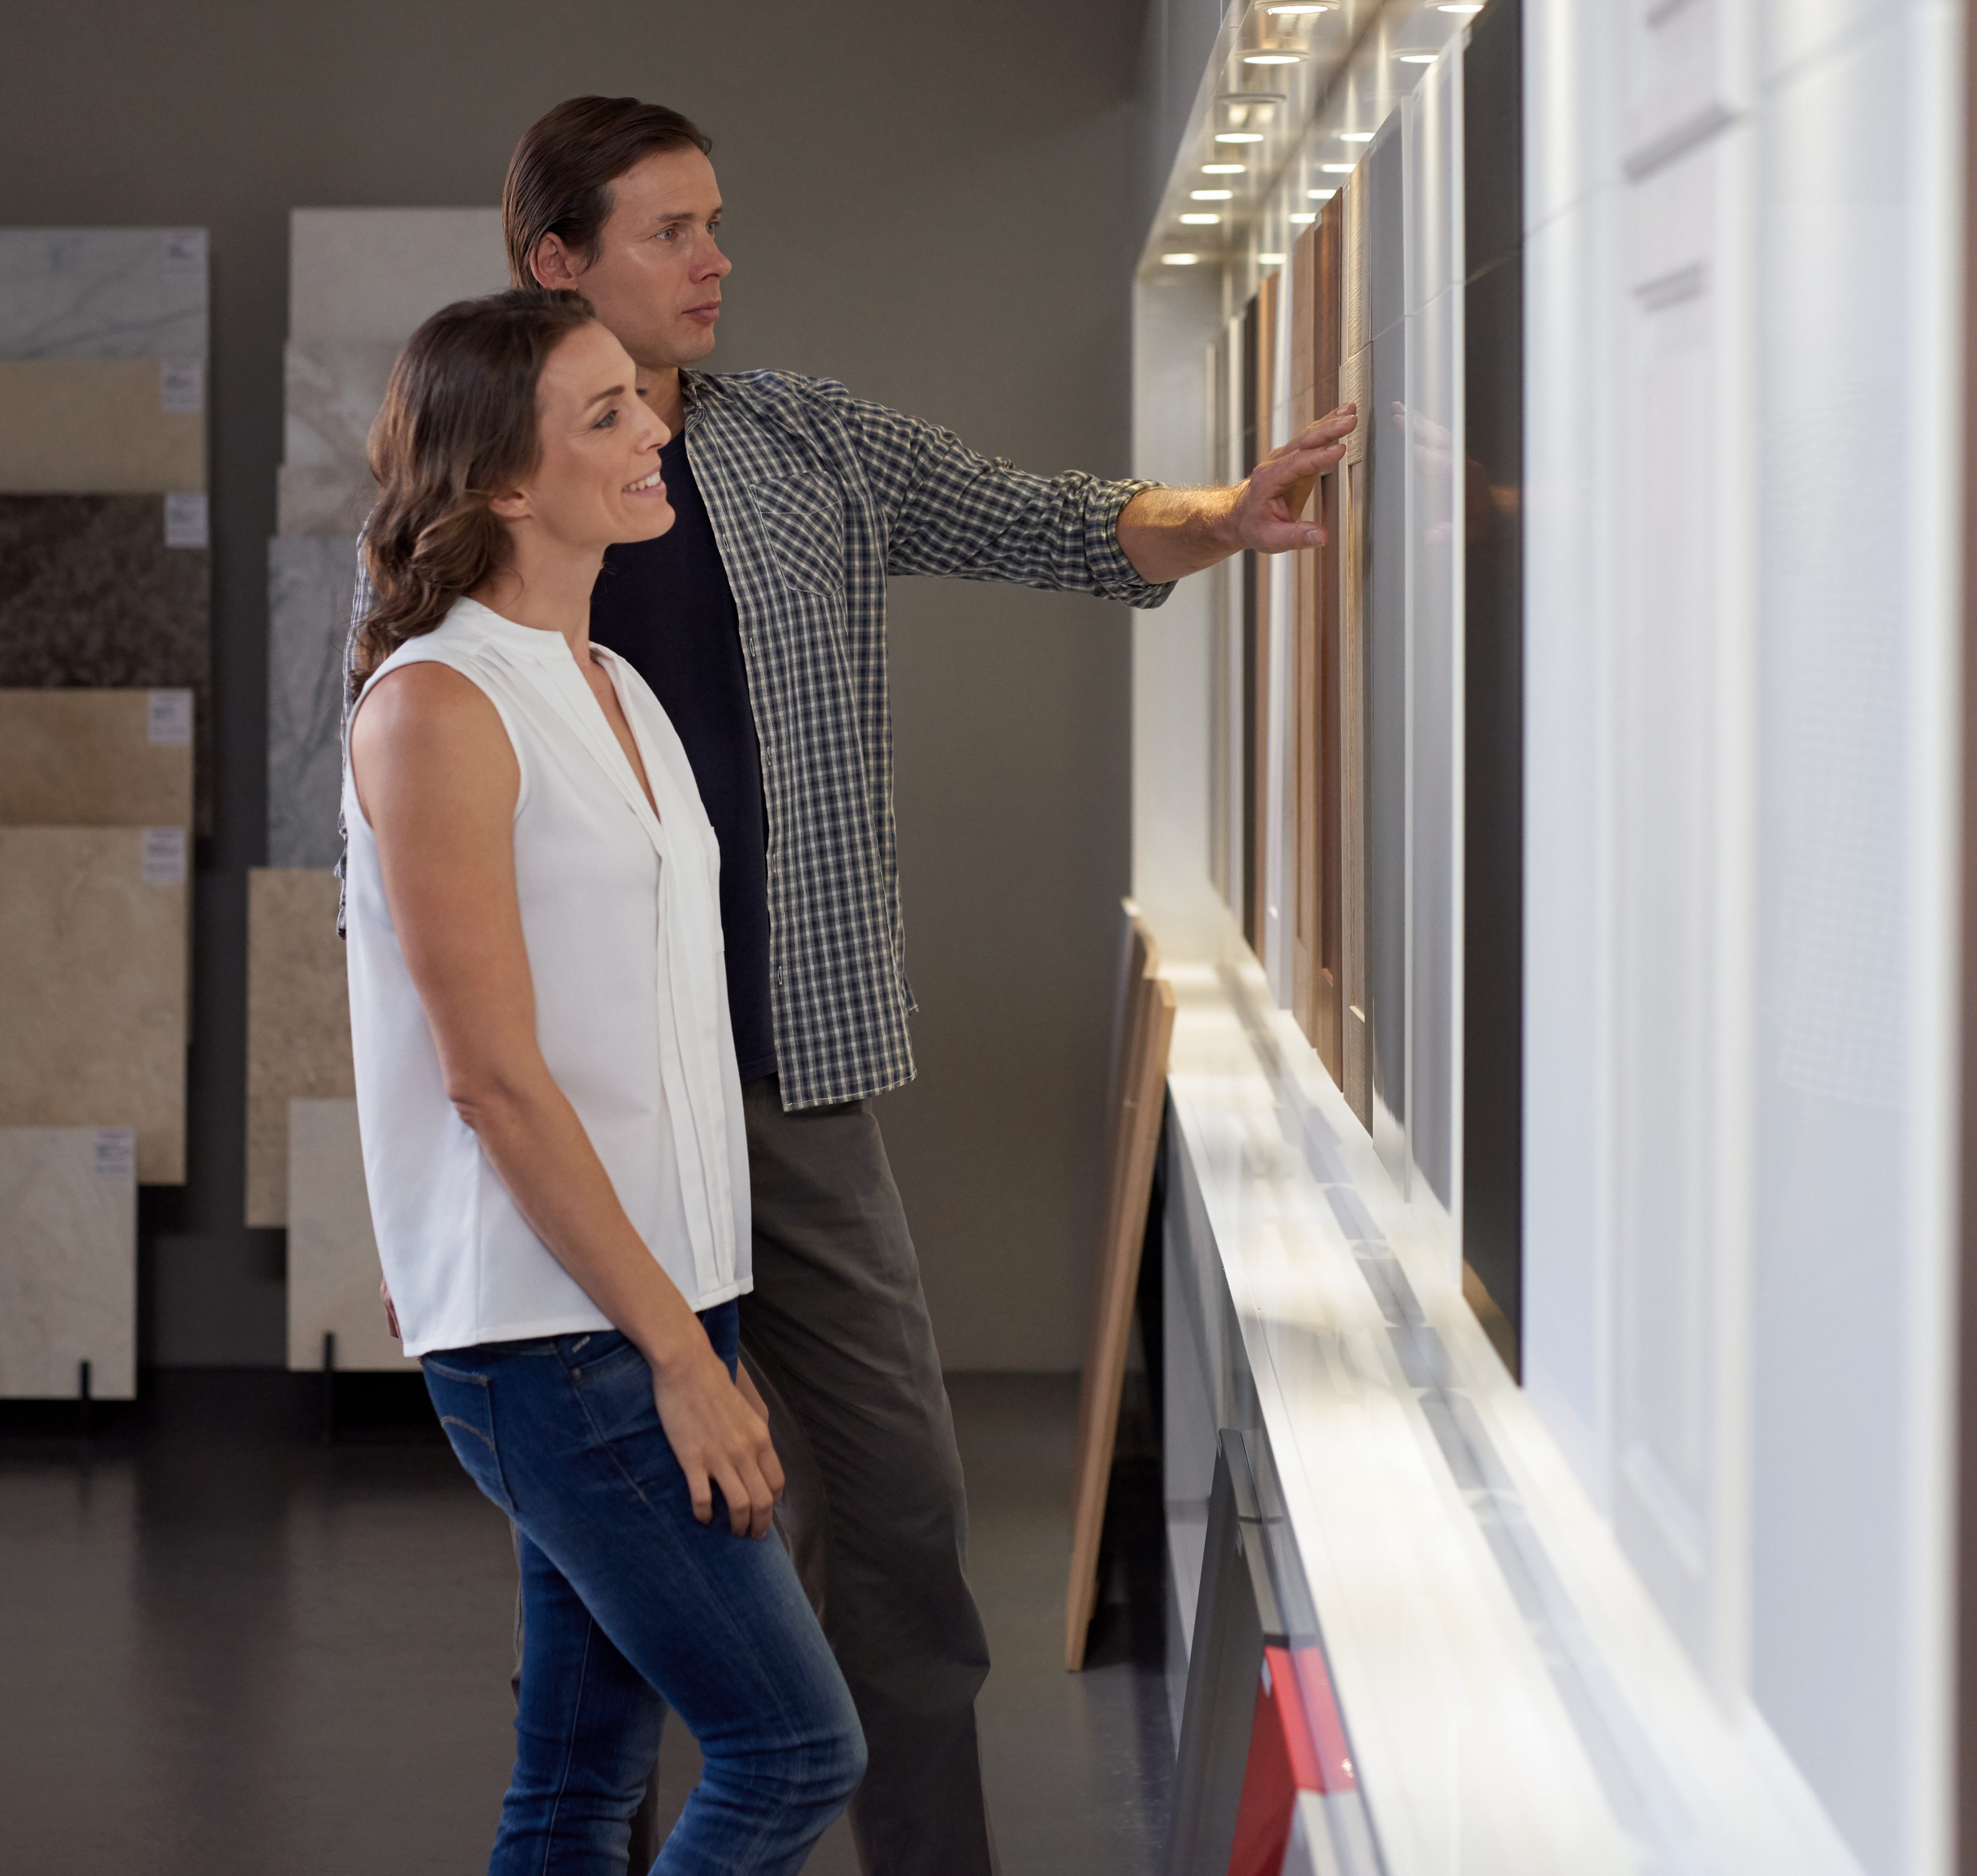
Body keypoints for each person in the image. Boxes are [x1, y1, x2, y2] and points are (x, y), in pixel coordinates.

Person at [357, 96, 1357, 1876]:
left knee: (891, 1536)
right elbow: (429, 959)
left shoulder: (800, 447)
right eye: (669, 232)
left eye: (718, 221)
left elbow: (1037, 517)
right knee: (609, 1645)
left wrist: (1220, 512)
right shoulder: (460, 638)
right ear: (557, 266)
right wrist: (444, 1215)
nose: (717, 259)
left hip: (789, 1089)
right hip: (584, 1136)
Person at [344, 286, 864, 1875]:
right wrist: (678, 1357)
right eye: (607, 416)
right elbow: (491, 1079)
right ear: (506, 479)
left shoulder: (615, 686)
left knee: (576, 1792)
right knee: (791, 1750)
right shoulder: (441, 706)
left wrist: (703, 1320)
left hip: (643, 1303)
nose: (656, 434)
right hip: (570, 1337)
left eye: (643, 404)